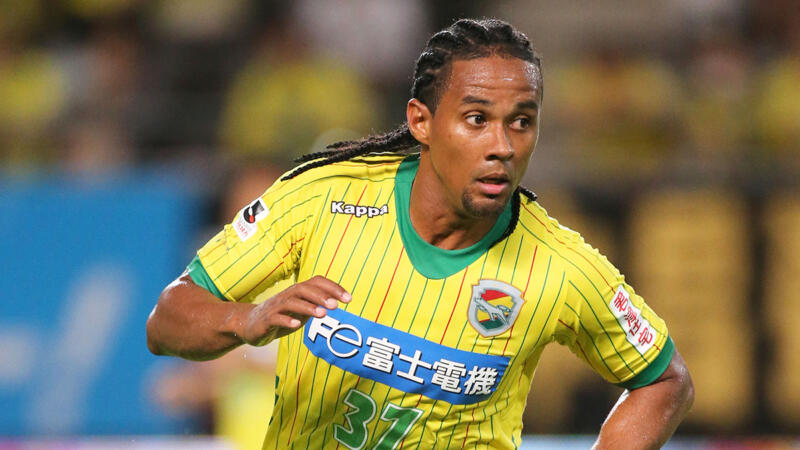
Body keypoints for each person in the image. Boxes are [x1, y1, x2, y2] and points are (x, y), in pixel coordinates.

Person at [147, 18, 694, 449]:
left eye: (522, 121)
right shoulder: (323, 197)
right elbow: (167, 320)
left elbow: (666, 380)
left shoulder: (560, 264)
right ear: (421, 121)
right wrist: (246, 319)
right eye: (477, 119)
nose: (502, 146)